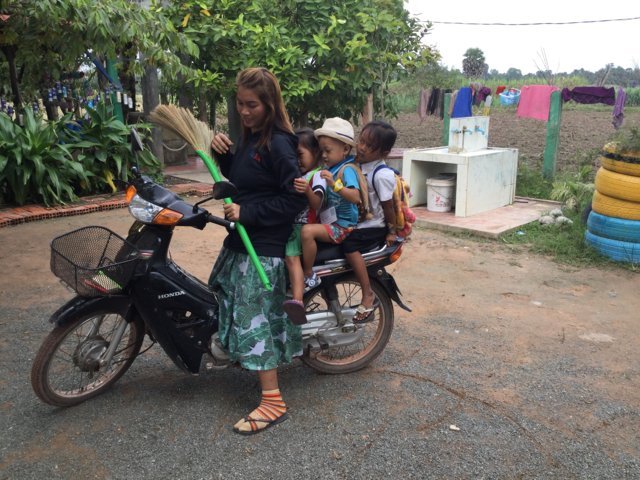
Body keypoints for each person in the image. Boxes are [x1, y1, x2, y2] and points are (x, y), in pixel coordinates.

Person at [208, 67, 307, 435]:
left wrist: (247, 213)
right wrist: (223, 155)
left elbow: (292, 200)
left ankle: (273, 401)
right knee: (226, 299)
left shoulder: (279, 143)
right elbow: (243, 181)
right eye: (240, 103)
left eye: (252, 105)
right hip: (240, 241)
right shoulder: (250, 138)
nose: (244, 111)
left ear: (270, 104)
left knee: (256, 320)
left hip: (263, 249)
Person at [342, 120, 399, 323]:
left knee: (349, 245)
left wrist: (391, 231)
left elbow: (388, 207)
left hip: (373, 226)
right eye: (362, 141)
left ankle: (368, 293)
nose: (362, 147)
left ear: (384, 153)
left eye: (370, 146)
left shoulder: (381, 175)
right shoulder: (358, 165)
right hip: (358, 222)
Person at [300, 117, 362, 289]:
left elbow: (355, 197)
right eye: (322, 151)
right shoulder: (330, 169)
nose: (324, 155)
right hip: (332, 222)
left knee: (307, 232)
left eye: (328, 151)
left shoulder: (346, 170)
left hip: (343, 226)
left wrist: (334, 185)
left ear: (345, 149)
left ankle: (308, 274)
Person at [282, 128, 325, 324]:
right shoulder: (304, 174)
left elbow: (317, 204)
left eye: (300, 155)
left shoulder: (317, 175)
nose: (297, 160)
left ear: (315, 153)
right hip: (294, 225)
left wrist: (307, 190)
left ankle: (298, 299)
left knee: (291, 258)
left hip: (303, 225)